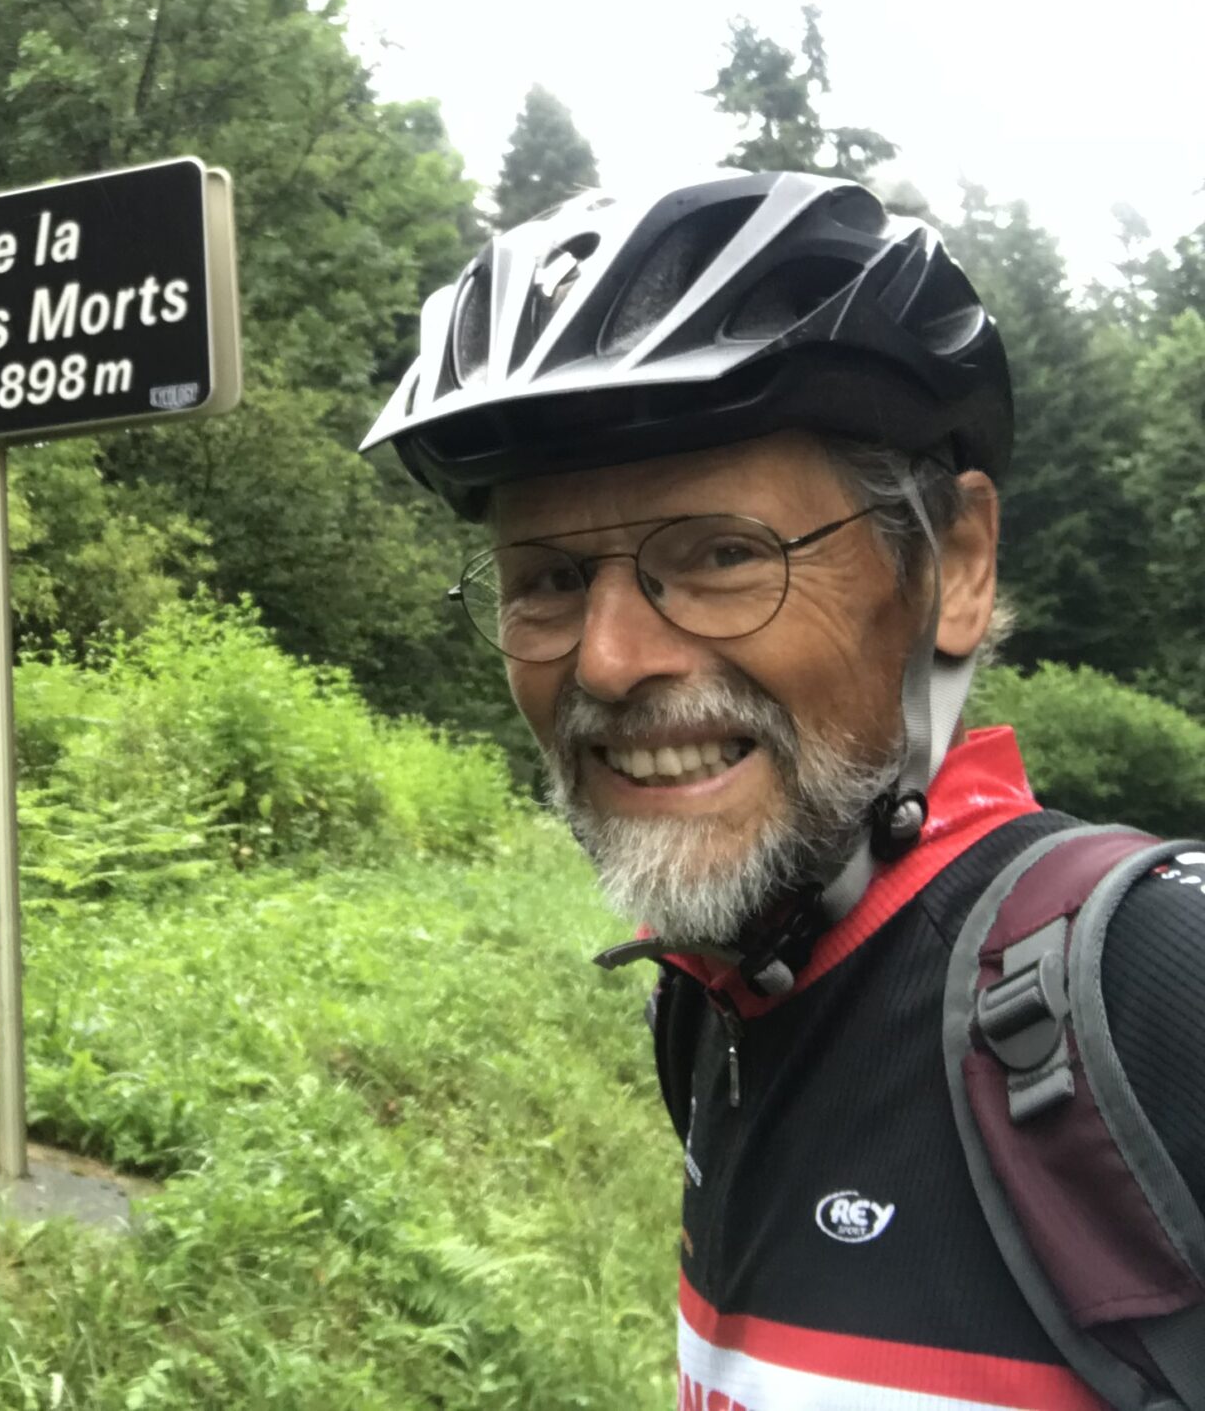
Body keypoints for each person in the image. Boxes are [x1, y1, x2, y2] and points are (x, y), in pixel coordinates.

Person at [364, 171, 1205, 1410]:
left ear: (954, 566)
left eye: (720, 553)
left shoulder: (1160, 987)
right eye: (544, 580)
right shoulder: (716, 995)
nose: (607, 661)